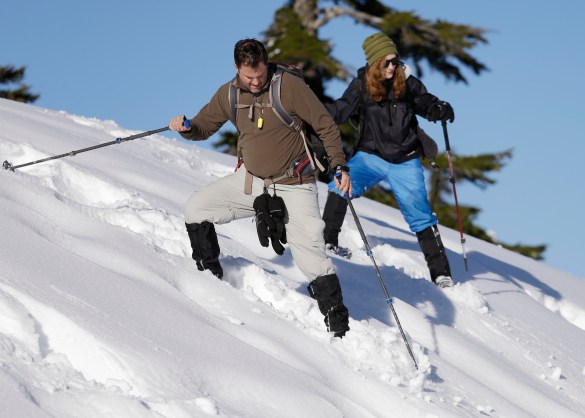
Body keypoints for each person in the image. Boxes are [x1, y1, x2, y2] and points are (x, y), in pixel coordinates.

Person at [168, 38, 352, 337]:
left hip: (295, 184)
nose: (255, 82)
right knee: (196, 209)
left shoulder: (288, 87)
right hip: (252, 182)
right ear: (236, 68)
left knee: (311, 256)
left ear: (266, 64)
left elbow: (325, 125)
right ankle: (210, 281)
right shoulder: (229, 93)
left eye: (260, 75)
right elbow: (204, 126)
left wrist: (340, 165)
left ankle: (339, 326)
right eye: (248, 76)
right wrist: (187, 126)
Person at [320, 32, 456, 289]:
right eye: (387, 62)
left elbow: (425, 102)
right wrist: (312, 115)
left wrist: (439, 108)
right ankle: (328, 241)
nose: (393, 67)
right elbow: (339, 110)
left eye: (395, 61)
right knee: (339, 184)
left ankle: (441, 274)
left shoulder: (407, 82)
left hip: (405, 160)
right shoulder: (361, 85)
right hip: (370, 156)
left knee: (420, 214)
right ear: (374, 64)